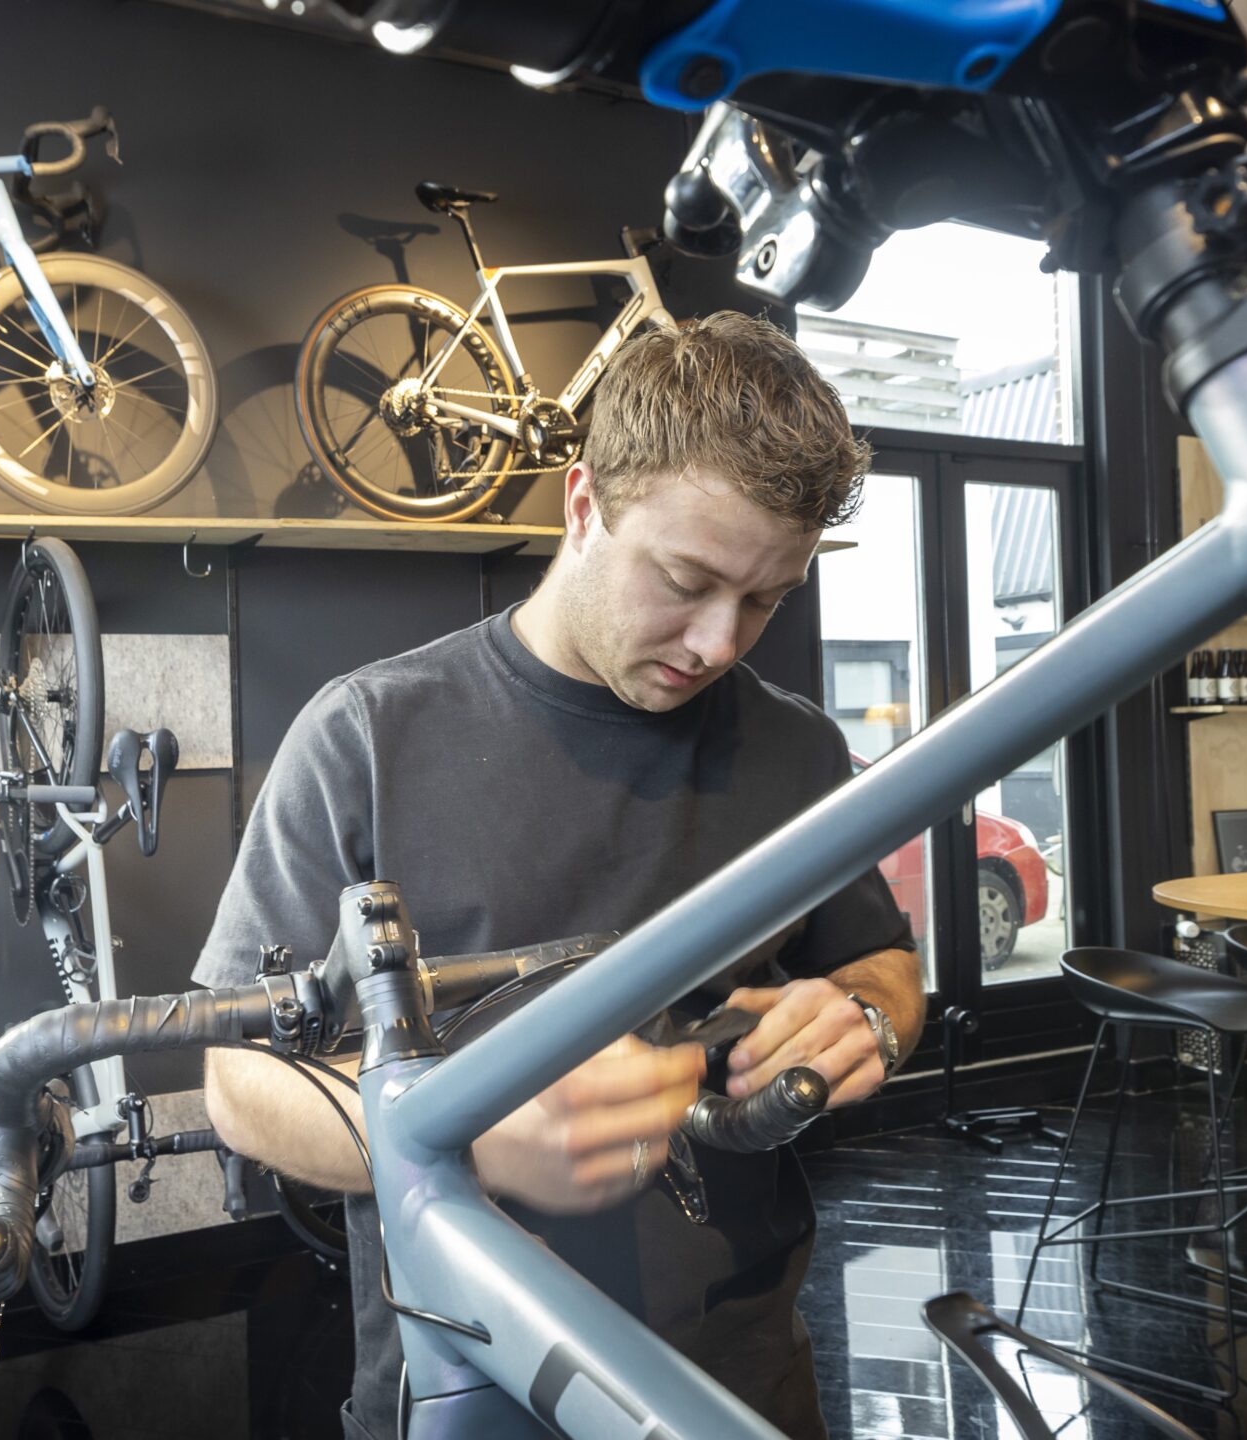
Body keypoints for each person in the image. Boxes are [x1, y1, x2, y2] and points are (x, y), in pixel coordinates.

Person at [195, 310, 924, 1440]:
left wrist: (864, 1022)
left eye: (767, 598)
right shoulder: (367, 737)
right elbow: (238, 1083)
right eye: (685, 579)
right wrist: (462, 1129)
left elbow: (879, 963)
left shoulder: (797, 752)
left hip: (739, 1372)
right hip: (470, 1373)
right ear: (582, 505)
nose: (720, 642)